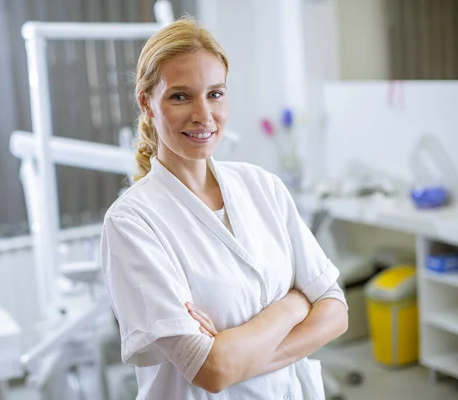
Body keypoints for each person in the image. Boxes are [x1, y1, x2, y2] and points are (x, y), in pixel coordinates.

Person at [100, 16, 348, 400]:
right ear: (146, 102)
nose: (204, 114)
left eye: (215, 94)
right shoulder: (132, 221)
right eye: (180, 96)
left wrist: (240, 354)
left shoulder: (262, 186)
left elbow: (335, 311)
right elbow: (212, 371)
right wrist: (296, 303)